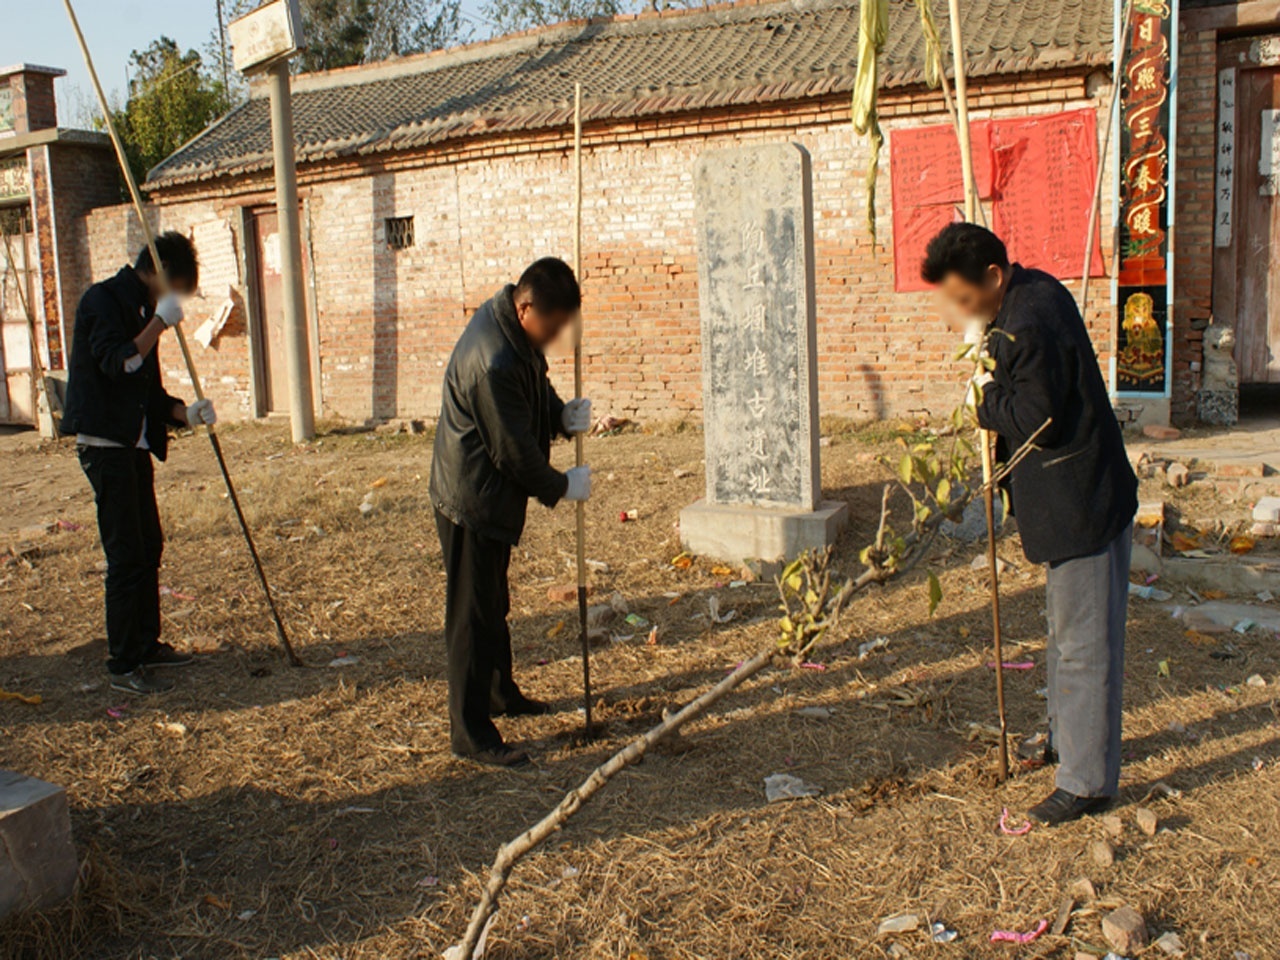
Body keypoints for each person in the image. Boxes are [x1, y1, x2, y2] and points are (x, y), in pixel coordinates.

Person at [921, 224, 1138, 825]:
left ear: (993, 276)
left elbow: (1034, 418)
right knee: (1068, 635)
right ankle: (1069, 742)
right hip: (1072, 499)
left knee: (1085, 645)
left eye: (964, 299)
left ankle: (1087, 783)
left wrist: (982, 398)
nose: (961, 312)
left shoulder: (1029, 321)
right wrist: (981, 343)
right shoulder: (1026, 294)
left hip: (1083, 503)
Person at [429, 257, 593, 768]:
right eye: (555, 324)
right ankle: (471, 733)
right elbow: (513, 452)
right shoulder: (492, 359)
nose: (560, 334)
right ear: (526, 309)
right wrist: (562, 485)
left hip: (489, 492)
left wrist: (560, 415)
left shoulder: (512, 330)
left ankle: (501, 693)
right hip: (470, 500)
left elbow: (534, 389)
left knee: (493, 600)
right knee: (472, 616)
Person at [62, 232, 216, 696]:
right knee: (125, 555)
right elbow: (120, 364)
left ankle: (147, 644)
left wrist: (183, 414)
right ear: (161, 270)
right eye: (177, 285)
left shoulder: (147, 311)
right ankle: (123, 663)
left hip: (135, 444)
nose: (176, 297)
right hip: (105, 445)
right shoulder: (102, 301)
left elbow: (147, 391)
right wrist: (159, 327)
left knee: (149, 544)